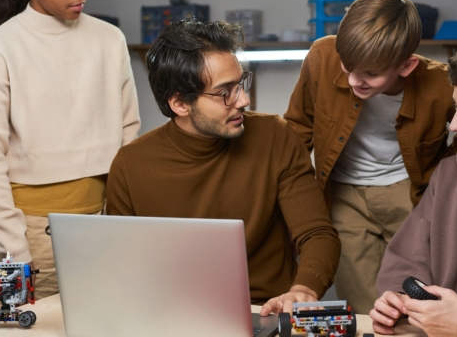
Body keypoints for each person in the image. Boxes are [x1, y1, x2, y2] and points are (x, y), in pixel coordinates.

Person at [106, 18, 341, 315]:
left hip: (264, 311)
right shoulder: (131, 164)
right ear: (180, 103)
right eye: (224, 92)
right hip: (172, 314)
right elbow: (121, 264)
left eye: (240, 83)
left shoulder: (275, 135)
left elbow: (317, 233)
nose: (243, 99)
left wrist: (303, 289)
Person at [284, 0, 457, 314]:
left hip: (411, 195)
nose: (354, 80)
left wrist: (442, 180)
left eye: (370, 73)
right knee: (367, 310)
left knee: (416, 305)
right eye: (348, 66)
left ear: (406, 66)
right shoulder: (322, 57)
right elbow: (297, 130)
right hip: (343, 197)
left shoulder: (441, 84)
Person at [0, 0, 140, 299]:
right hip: (30, 234)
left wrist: (123, 226)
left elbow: (130, 136)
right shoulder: (4, 44)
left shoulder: (110, 39)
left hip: (106, 224)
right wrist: (17, 255)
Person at [370, 33, 457, 336]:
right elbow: (406, 261)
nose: (455, 124)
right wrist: (397, 297)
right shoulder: (449, 175)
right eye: (456, 107)